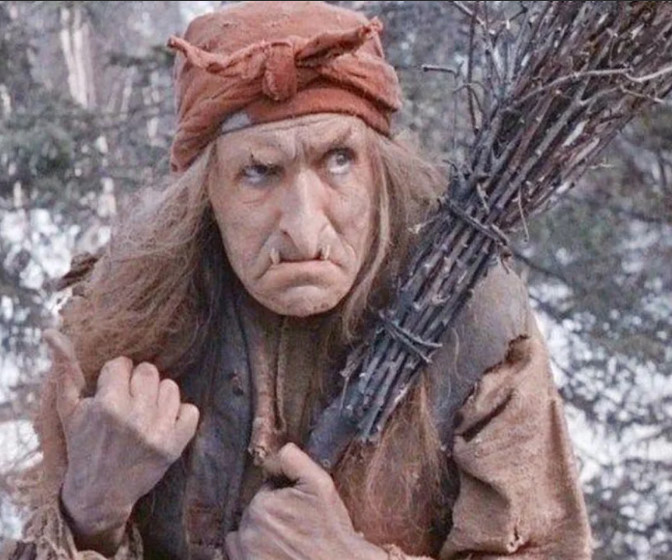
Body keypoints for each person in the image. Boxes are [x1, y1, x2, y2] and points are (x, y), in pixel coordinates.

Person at [3, 2, 593, 559]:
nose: (305, 232)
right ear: (206, 196)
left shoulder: (473, 321)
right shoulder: (129, 316)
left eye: (338, 160)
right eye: (259, 172)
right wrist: (89, 512)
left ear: (380, 173)